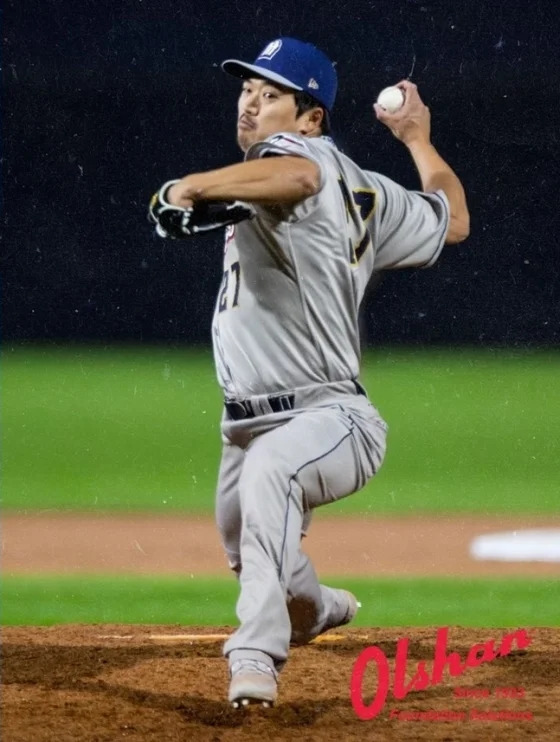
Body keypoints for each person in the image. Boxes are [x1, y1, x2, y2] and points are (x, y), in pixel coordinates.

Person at [158, 37, 469, 707]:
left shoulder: (301, 161)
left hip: (329, 417)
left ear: (311, 118)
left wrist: (190, 186)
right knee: (248, 543)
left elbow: (299, 179)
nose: (249, 104)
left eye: (271, 95)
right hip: (250, 424)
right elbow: (452, 220)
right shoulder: (368, 191)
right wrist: (418, 141)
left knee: (272, 475)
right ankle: (314, 608)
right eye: (246, 90)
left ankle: (255, 655)